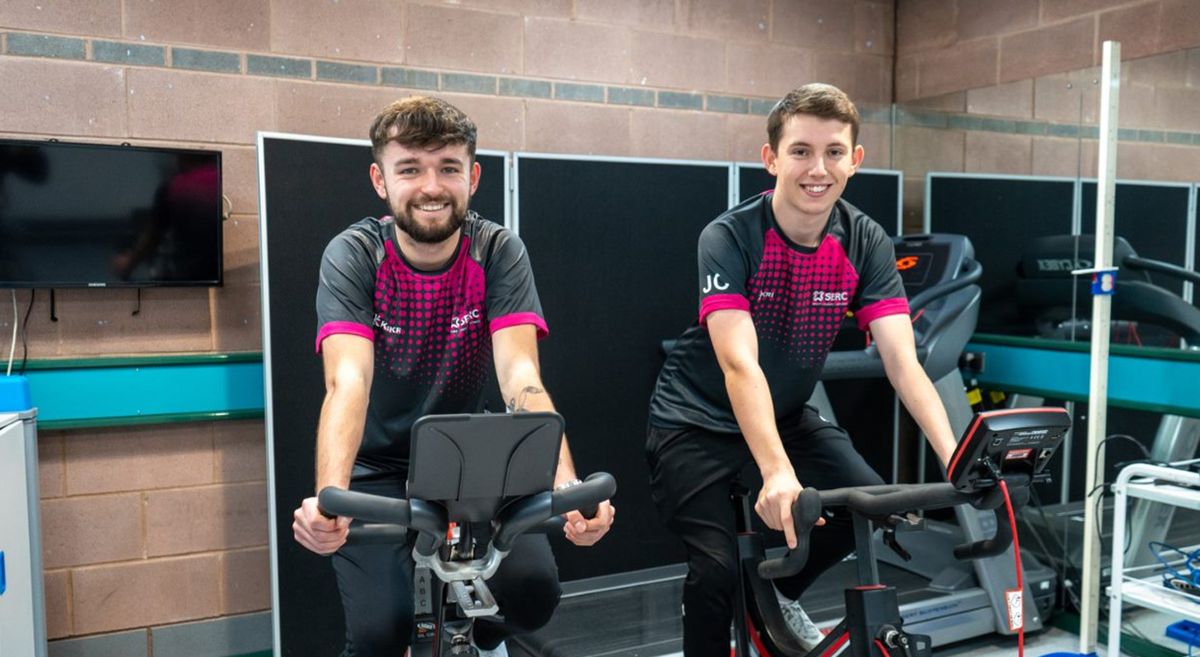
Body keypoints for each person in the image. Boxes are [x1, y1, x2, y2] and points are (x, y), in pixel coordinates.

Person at [291, 96, 615, 657]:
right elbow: (348, 381)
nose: (431, 187)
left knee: (534, 594)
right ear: (380, 180)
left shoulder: (496, 251)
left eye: (448, 168)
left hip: (472, 459)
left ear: (473, 177)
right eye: (410, 169)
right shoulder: (356, 255)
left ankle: (483, 638)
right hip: (377, 469)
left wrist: (566, 490)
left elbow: (521, 376)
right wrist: (330, 500)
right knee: (379, 634)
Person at [644, 83, 958, 656]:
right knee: (716, 572)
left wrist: (955, 457)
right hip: (693, 420)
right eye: (801, 151)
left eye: (834, 152)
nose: (818, 169)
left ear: (855, 160)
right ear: (771, 159)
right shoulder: (729, 236)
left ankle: (778, 593)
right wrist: (777, 471)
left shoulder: (864, 240)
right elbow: (739, 363)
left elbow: (903, 362)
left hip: (785, 414)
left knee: (867, 504)